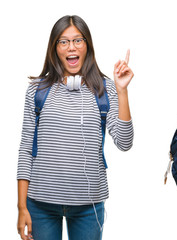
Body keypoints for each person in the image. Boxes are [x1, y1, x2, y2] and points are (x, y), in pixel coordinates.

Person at [16, 15, 134, 240]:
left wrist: (122, 91)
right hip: (40, 204)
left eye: (78, 40)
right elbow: (25, 151)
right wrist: (22, 206)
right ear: (55, 48)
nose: (71, 47)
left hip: (88, 205)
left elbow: (125, 143)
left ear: (87, 46)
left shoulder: (105, 88)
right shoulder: (36, 91)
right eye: (63, 41)